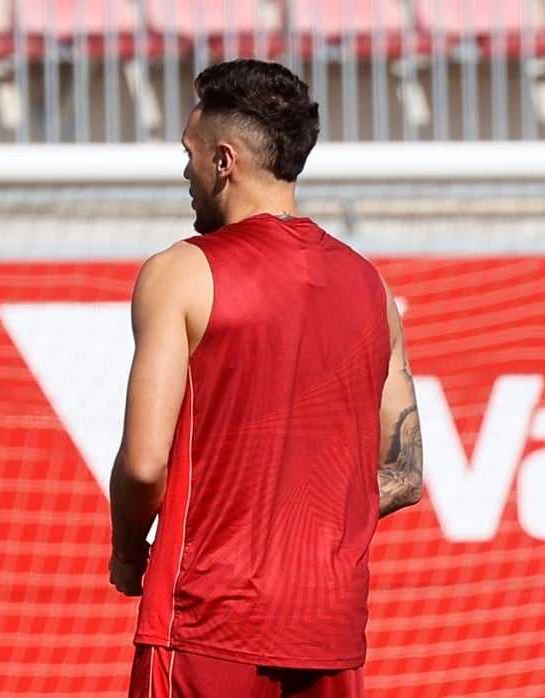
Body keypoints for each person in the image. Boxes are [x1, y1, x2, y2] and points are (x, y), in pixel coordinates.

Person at [108, 59, 423, 697]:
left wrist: (126, 550)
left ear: (225, 161)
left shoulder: (180, 273)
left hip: (207, 621)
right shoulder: (370, 286)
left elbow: (145, 466)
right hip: (327, 630)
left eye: (189, 154)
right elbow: (406, 475)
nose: (185, 173)